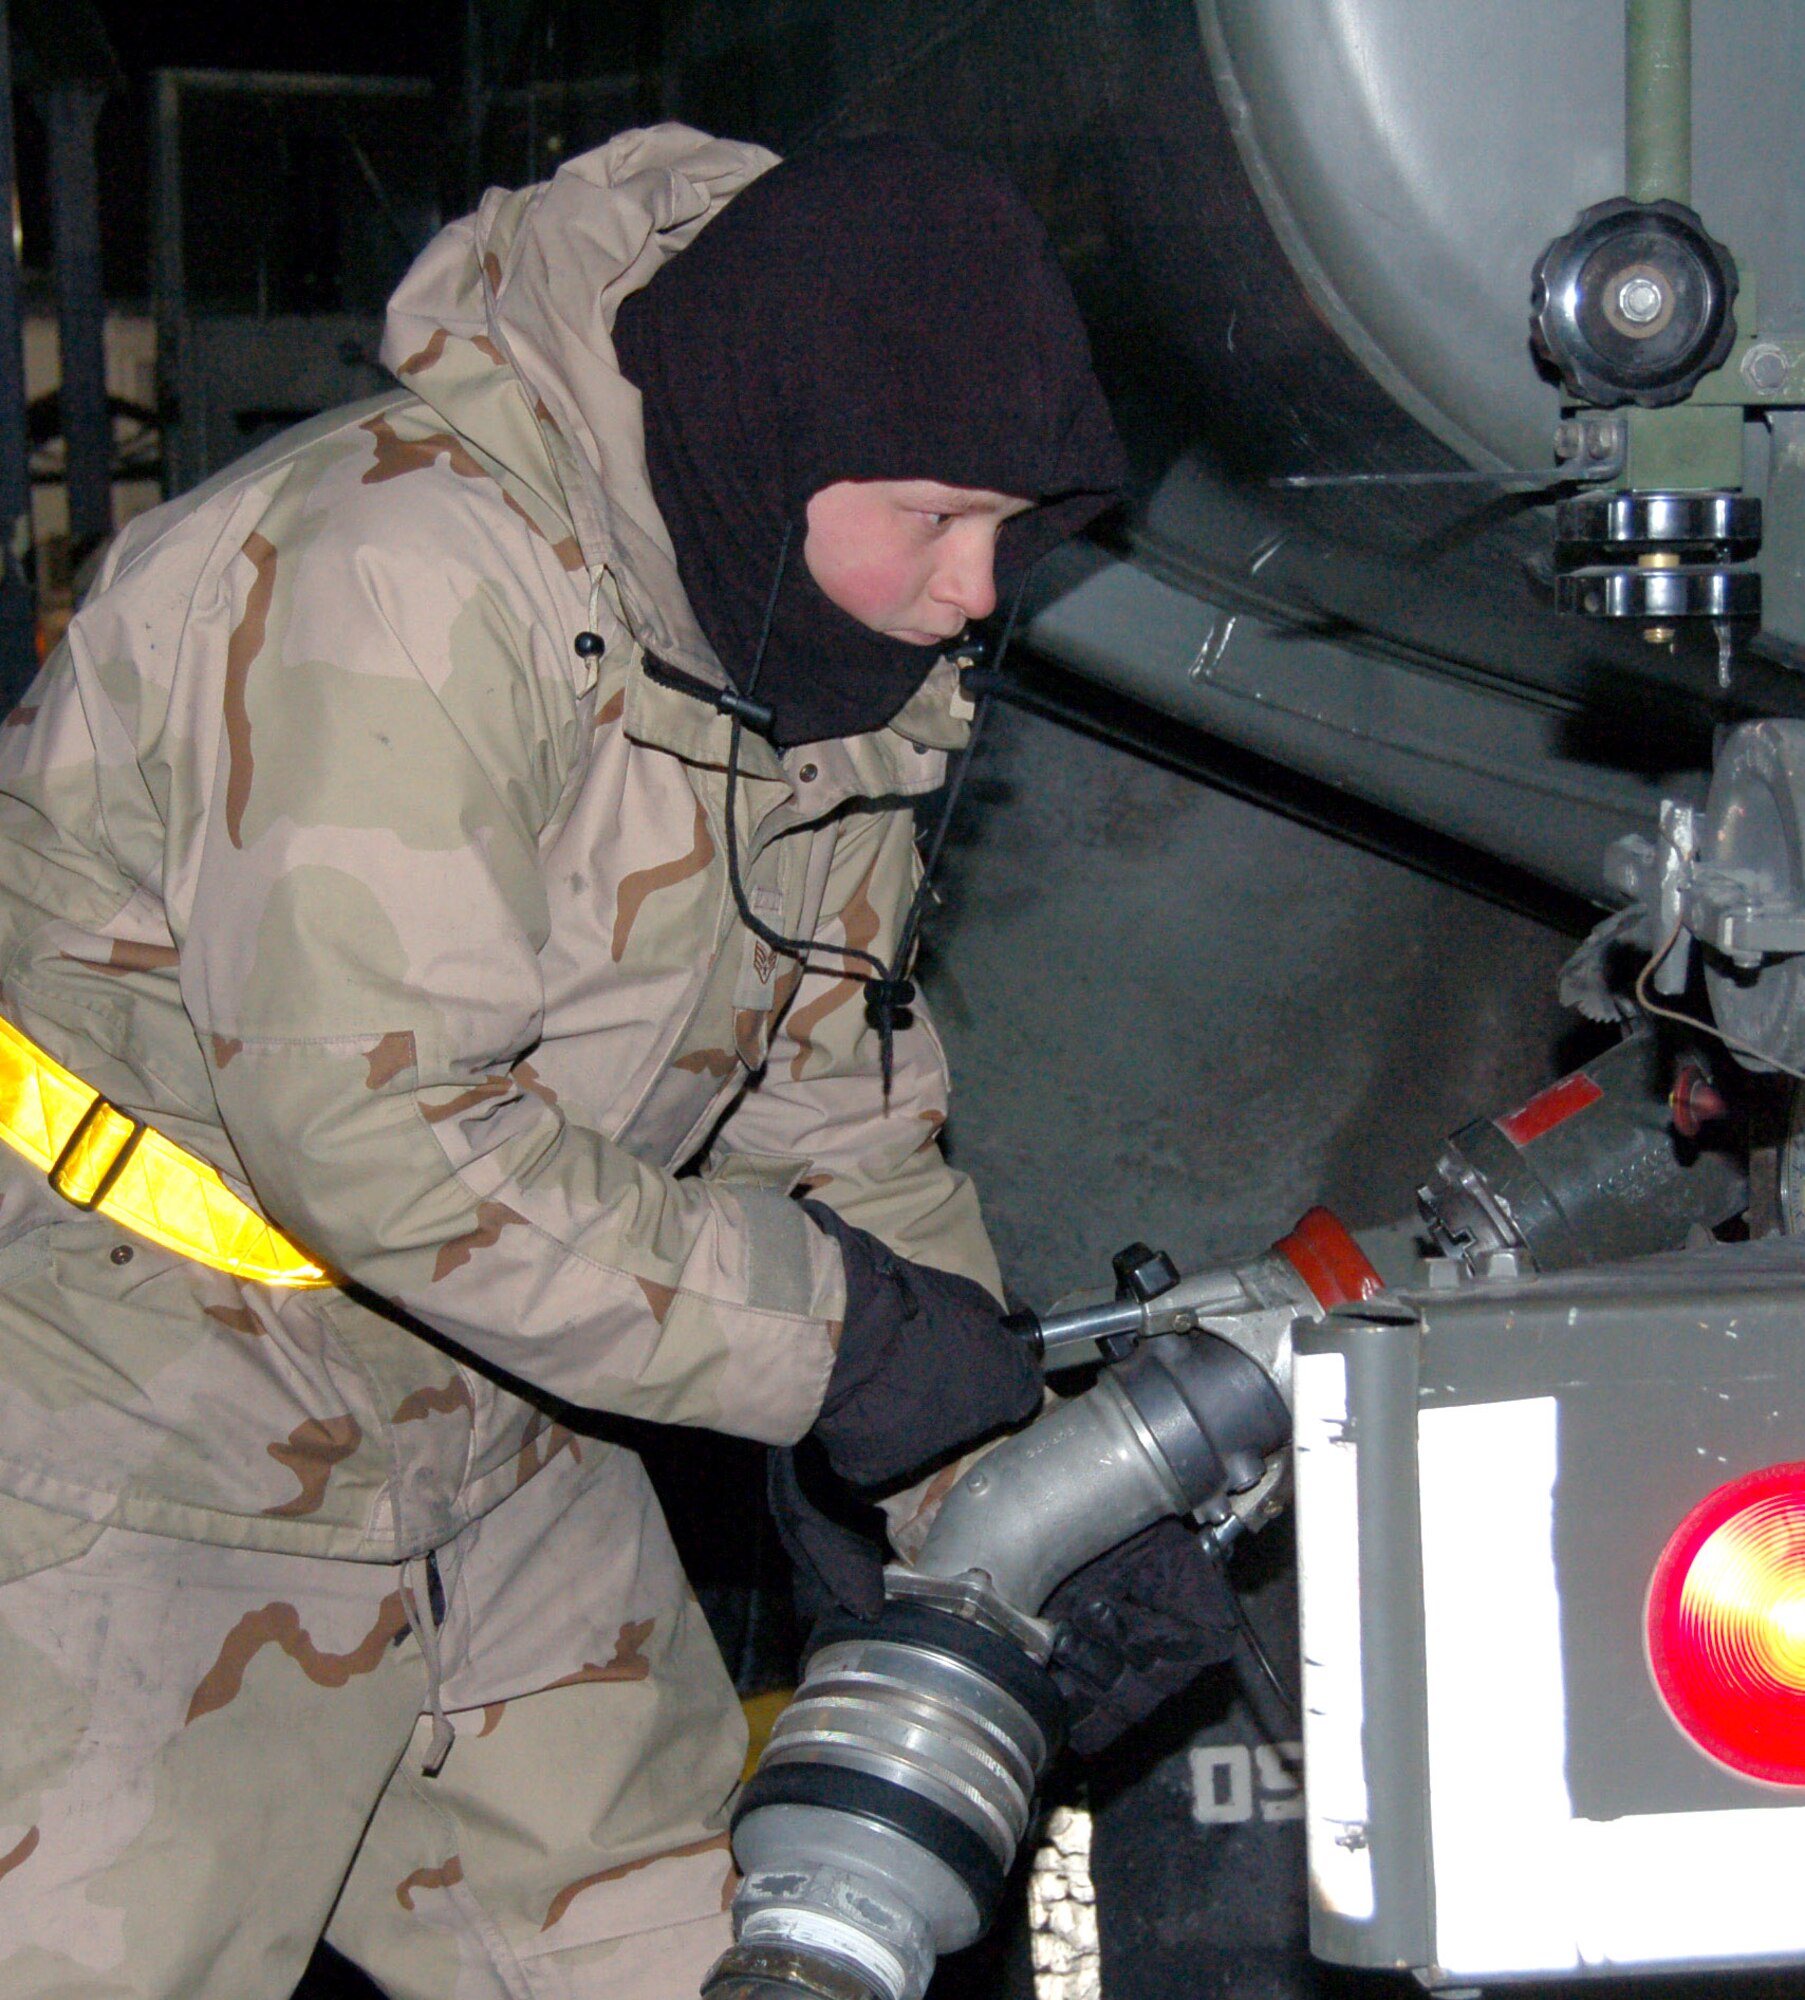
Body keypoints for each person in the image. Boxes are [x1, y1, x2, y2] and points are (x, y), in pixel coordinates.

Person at [0, 125, 1233, 2000]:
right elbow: (382, 1139)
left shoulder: (810, 647)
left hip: (488, 1431)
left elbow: (832, 1111)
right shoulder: (400, 575)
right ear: (766, 424)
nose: (974, 590)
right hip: (132, 1431)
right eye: (930, 512)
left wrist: (1001, 1494)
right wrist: (831, 1349)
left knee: (734, 1957)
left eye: (1009, 529)